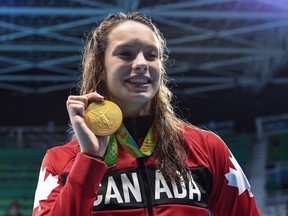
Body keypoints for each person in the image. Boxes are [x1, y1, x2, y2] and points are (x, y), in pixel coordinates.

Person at [32, 12, 261, 215]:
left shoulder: (207, 148)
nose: (141, 63)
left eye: (152, 55)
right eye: (126, 54)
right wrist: (90, 159)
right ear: (101, 67)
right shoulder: (61, 162)